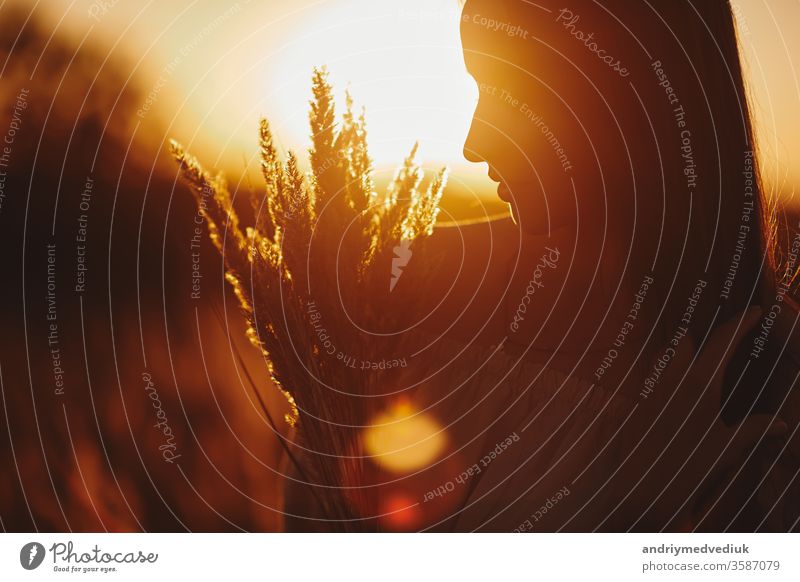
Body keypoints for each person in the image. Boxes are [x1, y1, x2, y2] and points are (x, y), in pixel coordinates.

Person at [284, 0, 800, 531]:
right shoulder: (411, 282)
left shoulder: (771, 378)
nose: (472, 144)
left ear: (628, 97)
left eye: (512, 94)